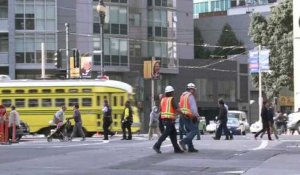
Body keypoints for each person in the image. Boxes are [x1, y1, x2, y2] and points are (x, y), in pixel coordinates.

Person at [153, 86, 184, 154]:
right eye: (173, 92)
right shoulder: (171, 99)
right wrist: (183, 114)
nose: (173, 93)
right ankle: (156, 146)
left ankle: (176, 148)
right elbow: (177, 109)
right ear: (171, 92)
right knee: (165, 134)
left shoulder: (163, 99)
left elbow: (160, 110)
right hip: (169, 120)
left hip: (164, 119)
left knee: (173, 134)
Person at [178, 83, 200, 153]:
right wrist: (197, 116)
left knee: (189, 132)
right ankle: (183, 141)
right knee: (194, 130)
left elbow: (179, 105)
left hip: (183, 115)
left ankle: (190, 147)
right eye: (193, 89)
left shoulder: (182, 95)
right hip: (190, 116)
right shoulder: (190, 96)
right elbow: (193, 108)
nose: (194, 91)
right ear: (191, 89)